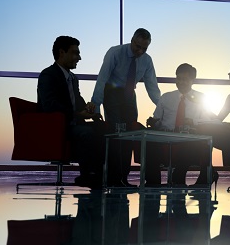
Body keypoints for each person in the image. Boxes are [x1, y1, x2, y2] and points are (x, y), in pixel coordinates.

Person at [91, 28, 161, 187]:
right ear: (132, 40)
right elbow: (102, 79)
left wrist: (164, 108)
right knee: (116, 134)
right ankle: (113, 178)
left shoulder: (147, 60)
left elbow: (152, 88)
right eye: (137, 46)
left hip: (130, 95)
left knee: (130, 135)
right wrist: (96, 107)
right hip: (112, 92)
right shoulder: (115, 52)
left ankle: (123, 177)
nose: (140, 51)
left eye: (144, 48)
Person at [37, 35, 105, 190]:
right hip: (57, 126)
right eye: (75, 53)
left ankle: (101, 176)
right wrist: (78, 114)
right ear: (62, 53)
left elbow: (78, 102)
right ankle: (88, 175)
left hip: (73, 123)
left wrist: (88, 110)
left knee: (104, 130)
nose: (79, 57)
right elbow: (49, 105)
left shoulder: (73, 78)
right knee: (86, 133)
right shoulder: (48, 75)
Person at [146, 63, 217, 187]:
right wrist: (153, 122)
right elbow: (157, 121)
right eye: (178, 78)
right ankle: (153, 182)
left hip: (189, 137)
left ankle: (178, 176)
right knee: (149, 142)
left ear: (192, 80)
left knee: (187, 142)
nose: (181, 82)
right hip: (167, 136)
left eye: (184, 79)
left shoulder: (201, 98)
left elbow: (207, 121)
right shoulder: (166, 97)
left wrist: (192, 121)